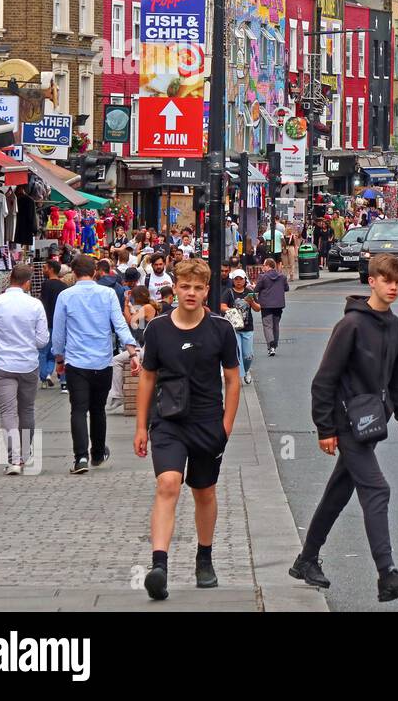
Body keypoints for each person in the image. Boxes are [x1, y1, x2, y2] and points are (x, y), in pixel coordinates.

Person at [290, 254, 398, 603]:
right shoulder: (350, 326)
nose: (393, 287)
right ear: (372, 281)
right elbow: (324, 381)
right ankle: (387, 574)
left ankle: (306, 559)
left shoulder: (396, 327)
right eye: (386, 280)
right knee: (377, 490)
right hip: (347, 423)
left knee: (338, 492)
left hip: (371, 423)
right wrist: (325, 428)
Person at [135, 258, 241, 600]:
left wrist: (225, 427)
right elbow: (148, 378)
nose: (191, 293)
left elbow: (232, 380)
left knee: (204, 491)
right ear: (174, 289)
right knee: (168, 484)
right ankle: (159, 566)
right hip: (168, 420)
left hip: (208, 421)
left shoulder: (221, 329)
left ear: (206, 290)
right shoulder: (158, 328)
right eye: (185, 287)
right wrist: (141, 426)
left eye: (198, 288)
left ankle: (204, 558)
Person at [53, 255, 140, 475]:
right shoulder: (108, 294)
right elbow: (119, 324)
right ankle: (98, 453)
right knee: (98, 409)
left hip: (76, 361)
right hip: (102, 360)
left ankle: (80, 457)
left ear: (73, 272)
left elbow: (58, 332)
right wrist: (132, 351)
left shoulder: (65, 296)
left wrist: (59, 358)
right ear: (95, 272)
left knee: (79, 410)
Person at [0, 265, 49, 475]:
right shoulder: (35, 305)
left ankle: (14, 460)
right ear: (27, 283)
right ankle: (25, 455)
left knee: (8, 412)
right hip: (28, 364)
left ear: (10, 278)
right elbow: (43, 340)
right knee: (26, 410)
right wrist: (28, 342)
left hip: (3, 364)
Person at [107, 285, 161, 415]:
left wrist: (127, 305)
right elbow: (132, 323)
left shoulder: (147, 308)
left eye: (132, 298)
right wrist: (126, 305)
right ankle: (117, 395)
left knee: (116, 361)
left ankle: (117, 396)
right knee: (117, 360)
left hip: (148, 349)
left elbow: (131, 320)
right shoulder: (144, 308)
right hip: (144, 347)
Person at [221, 270, 261, 385]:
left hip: (248, 327)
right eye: (236, 279)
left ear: (245, 280)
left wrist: (251, 302)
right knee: (237, 352)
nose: (239, 281)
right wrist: (232, 311)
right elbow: (222, 306)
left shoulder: (249, 291)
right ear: (233, 280)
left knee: (248, 355)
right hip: (234, 328)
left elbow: (258, 308)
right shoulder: (229, 292)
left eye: (241, 279)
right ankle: (238, 377)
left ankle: (247, 370)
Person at [38, 259, 68, 392]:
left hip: (47, 322)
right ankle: (60, 379)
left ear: (50, 269)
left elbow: (43, 304)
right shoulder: (63, 286)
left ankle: (44, 376)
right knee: (59, 351)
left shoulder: (45, 285)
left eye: (44, 267)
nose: (42, 270)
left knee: (43, 352)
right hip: (60, 324)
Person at [256, 258, 289, 356]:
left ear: (268, 266)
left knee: (267, 325)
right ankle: (274, 345)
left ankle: (271, 346)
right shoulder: (282, 277)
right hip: (278, 304)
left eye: (264, 265)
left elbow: (257, 289)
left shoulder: (263, 277)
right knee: (276, 325)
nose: (263, 267)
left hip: (266, 304)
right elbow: (286, 288)